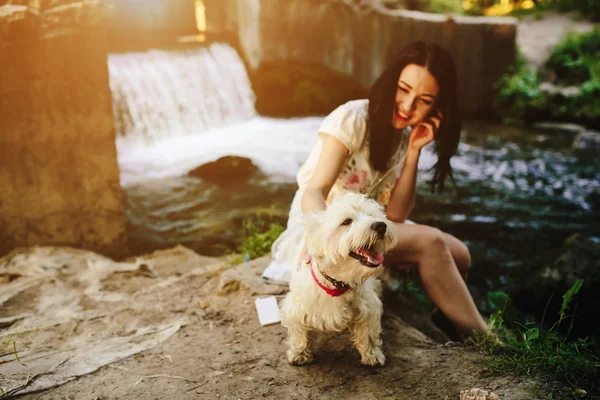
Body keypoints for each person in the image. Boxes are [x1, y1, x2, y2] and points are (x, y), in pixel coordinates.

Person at [262, 41, 488, 337]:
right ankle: (484, 338)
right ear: (390, 82)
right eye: (403, 90)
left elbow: (395, 214)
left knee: (461, 255)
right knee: (432, 242)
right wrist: (320, 235)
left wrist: (414, 152)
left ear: (437, 106)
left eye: (424, 100)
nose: (408, 107)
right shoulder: (354, 118)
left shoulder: (406, 135)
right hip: (331, 228)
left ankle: (448, 319)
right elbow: (314, 190)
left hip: (372, 226)